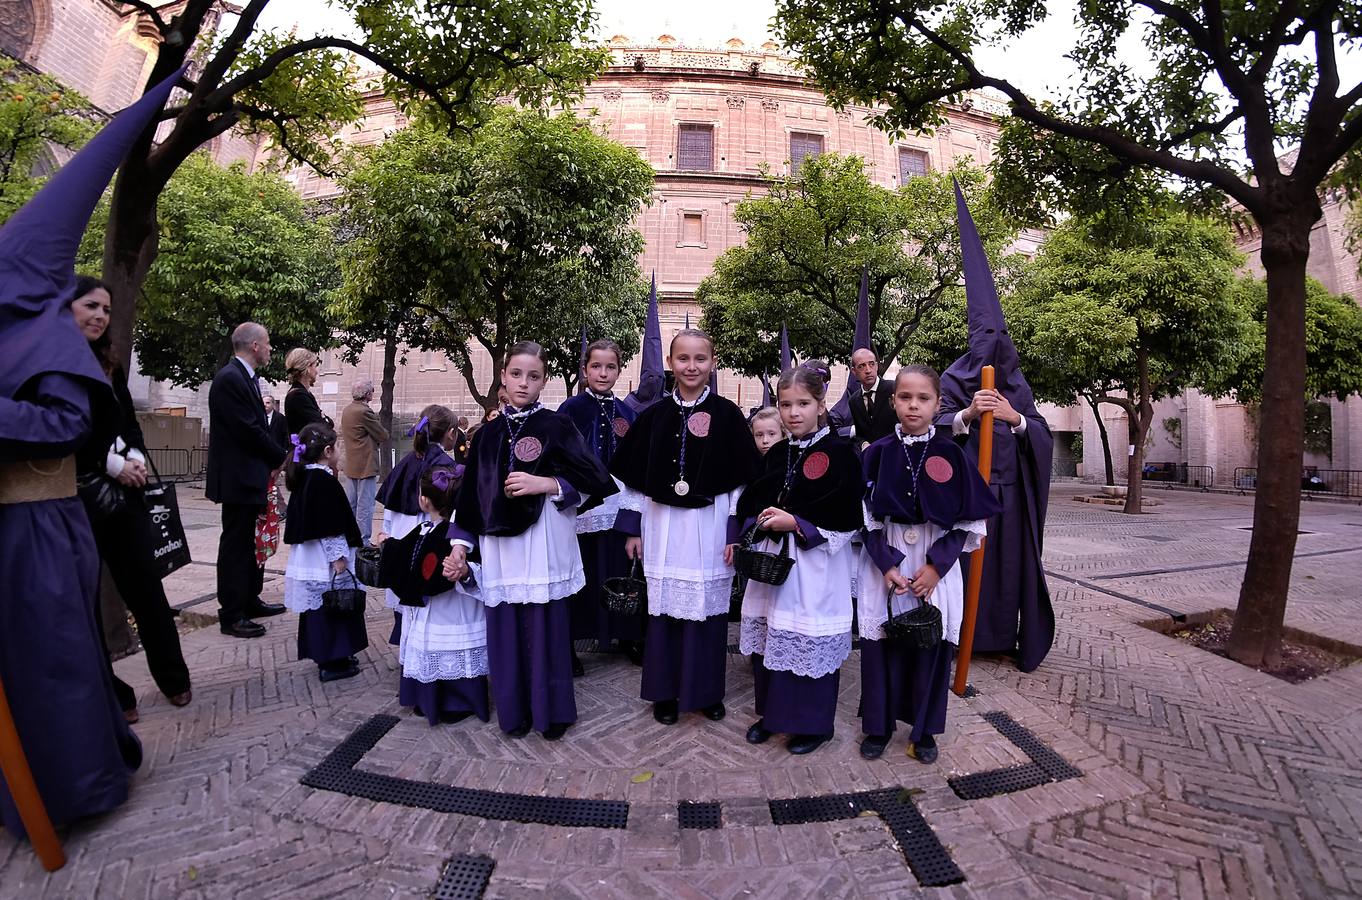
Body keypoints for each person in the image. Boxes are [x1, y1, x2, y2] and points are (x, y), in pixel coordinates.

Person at [0, 63, 183, 839]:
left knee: (55, 658)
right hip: (19, 531)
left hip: (45, 527)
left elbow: (60, 428)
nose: (102, 315)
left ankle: (77, 784)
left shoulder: (60, 351)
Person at [444, 341, 616, 741]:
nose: (524, 383)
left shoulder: (557, 425)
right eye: (516, 374)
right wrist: (459, 547)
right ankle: (515, 713)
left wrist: (548, 483)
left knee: (546, 630)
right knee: (505, 630)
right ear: (503, 378)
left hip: (544, 544)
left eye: (533, 376)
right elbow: (470, 497)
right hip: (500, 551)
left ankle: (551, 713)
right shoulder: (485, 436)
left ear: (544, 381)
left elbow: (596, 482)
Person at [611, 329, 762, 726]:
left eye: (700, 359)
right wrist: (632, 529)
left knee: (708, 616)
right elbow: (633, 480)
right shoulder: (653, 417)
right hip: (661, 526)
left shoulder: (728, 415)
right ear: (670, 364)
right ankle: (665, 692)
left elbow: (740, 483)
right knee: (663, 615)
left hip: (709, 526)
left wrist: (734, 533)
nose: (691, 366)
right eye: (683, 359)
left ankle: (705, 693)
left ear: (713, 364)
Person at [936, 188, 1055, 673]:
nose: (992, 349)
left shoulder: (1016, 384)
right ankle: (962, 636)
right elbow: (937, 425)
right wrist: (966, 416)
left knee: (1006, 572)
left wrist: (1016, 419)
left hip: (1009, 497)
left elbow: (1041, 432)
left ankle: (1001, 636)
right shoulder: (953, 379)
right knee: (966, 571)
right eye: (984, 339)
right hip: (968, 495)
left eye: (999, 340)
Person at [857, 365, 1001, 762]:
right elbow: (865, 519)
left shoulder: (951, 453)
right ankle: (878, 726)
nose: (913, 406)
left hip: (933, 564)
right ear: (893, 402)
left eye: (923, 398)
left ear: (939, 404)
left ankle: (924, 731)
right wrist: (885, 564)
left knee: (930, 648)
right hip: (886, 564)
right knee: (881, 647)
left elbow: (970, 520)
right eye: (905, 397)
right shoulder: (879, 452)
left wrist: (937, 567)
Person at [71, 276, 192, 722]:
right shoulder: (52, 362)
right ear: (67, 309)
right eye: (91, 306)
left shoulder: (109, 363)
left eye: (106, 309)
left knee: (146, 589)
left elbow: (128, 421)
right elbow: (59, 428)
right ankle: (115, 694)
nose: (101, 316)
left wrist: (136, 456)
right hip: (75, 499)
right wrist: (109, 462)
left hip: (125, 497)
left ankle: (173, 678)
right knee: (82, 600)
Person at [737, 363, 863, 755]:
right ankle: (772, 715)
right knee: (772, 637)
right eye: (786, 404)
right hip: (773, 565)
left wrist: (797, 523)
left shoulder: (840, 454)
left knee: (808, 636)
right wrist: (758, 521)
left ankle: (814, 724)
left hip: (816, 565)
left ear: (821, 404)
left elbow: (847, 515)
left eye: (803, 404)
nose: (793, 413)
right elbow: (753, 498)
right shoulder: (776, 453)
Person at [380, 465, 490, 725]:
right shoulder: (429, 530)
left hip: (452, 609)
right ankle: (438, 698)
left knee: (446, 647)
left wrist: (462, 572)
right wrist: (390, 544)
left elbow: (474, 565)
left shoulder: (455, 538)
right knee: (436, 649)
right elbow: (407, 550)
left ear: (424, 500)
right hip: (438, 609)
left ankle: (454, 700)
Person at [558, 339, 643, 671]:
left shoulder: (628, 414)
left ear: (619, 371)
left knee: (620, 571)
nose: (603, 373)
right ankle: (572, 643)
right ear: (584, 369)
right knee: (582, 574)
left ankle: (627, 635)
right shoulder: (570, 410)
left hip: (619, 504)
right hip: (581, 505)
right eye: (596, 366)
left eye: (610, 367)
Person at [206, 322, 289, 638]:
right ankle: (231, 613)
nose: (270, 348)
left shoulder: (246, 378)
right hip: (237, 478)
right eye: (267, 343)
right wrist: (278, 454)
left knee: (250, 542)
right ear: (254, 345)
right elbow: (248, 429)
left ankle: (249, 599)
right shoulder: (230, 379)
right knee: (236, 545)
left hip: (249, 476)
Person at [282, 423, 366, 682]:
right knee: (332, 608)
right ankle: (333, 659)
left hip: (310, 555)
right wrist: (338, 557)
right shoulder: (322, 481)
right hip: (324, 558)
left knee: (320, 609)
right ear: (328, 451)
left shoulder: (305, 478)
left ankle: (329, 655)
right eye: (338, 446)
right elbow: (329, 524)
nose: (339, 451)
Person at [376, 404, 458, 642]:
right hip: (428, 542)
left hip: (401, 538)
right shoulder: (446, 467)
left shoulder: (406, 462)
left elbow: (390, 507)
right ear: (451, 433)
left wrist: (387, 534)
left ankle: (406, 646)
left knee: (406, 591)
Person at [340, 379, 389, 545]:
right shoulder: (364, 412)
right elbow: (382, 435)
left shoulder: (347, 410)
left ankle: (350, 536)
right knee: (365, 506)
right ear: (367, 394)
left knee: (352, 504)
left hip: (351, 463)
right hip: (366, 463)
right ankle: (363, 540)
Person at [847, 348, 899, 446]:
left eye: (871, 364)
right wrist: (863, 444)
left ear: (877, 365)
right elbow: (859, 435)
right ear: (854, 371)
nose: (868, 370)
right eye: (861, 366)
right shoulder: (854, 401)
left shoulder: (894, 389)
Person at [283, 348, 332, 434]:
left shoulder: (303, 393)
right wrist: (326, 420)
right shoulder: (298, 396)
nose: (316, 372)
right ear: (308, 368)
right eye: (315, 366)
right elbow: (322, 425)